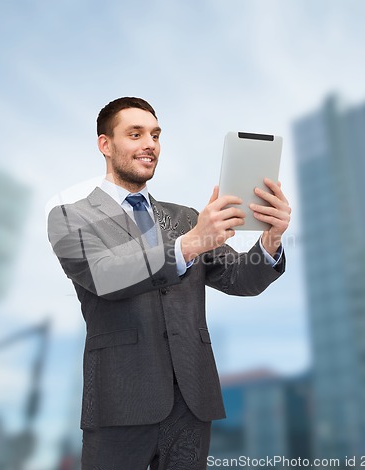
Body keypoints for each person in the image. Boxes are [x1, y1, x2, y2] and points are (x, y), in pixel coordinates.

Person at [47, 97, 290, 470]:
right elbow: (104, 275)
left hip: (192, 404)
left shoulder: (186, 218)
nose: (150, 144)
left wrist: (271, 239)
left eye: (156, 135)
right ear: (105, 145)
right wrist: (192, 242)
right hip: (120, 403)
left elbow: (241, 278)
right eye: (136, 134)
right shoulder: (71, 216)